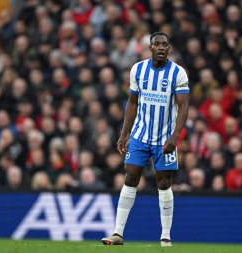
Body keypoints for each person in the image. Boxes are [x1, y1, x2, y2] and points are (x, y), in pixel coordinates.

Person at [101, 32, 190, 247]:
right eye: (157, 44)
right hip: (140, 135)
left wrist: (175, 137)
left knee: (164, 182)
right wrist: (124, 133)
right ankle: (118, 233)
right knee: (130, 177)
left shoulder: (178, 73)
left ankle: (166, 236)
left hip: (164, 139)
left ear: (169, 48)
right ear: (150, 47)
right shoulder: (138, 70)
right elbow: (132, 103)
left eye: (165, 44)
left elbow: (183, 106)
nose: (161, 47)